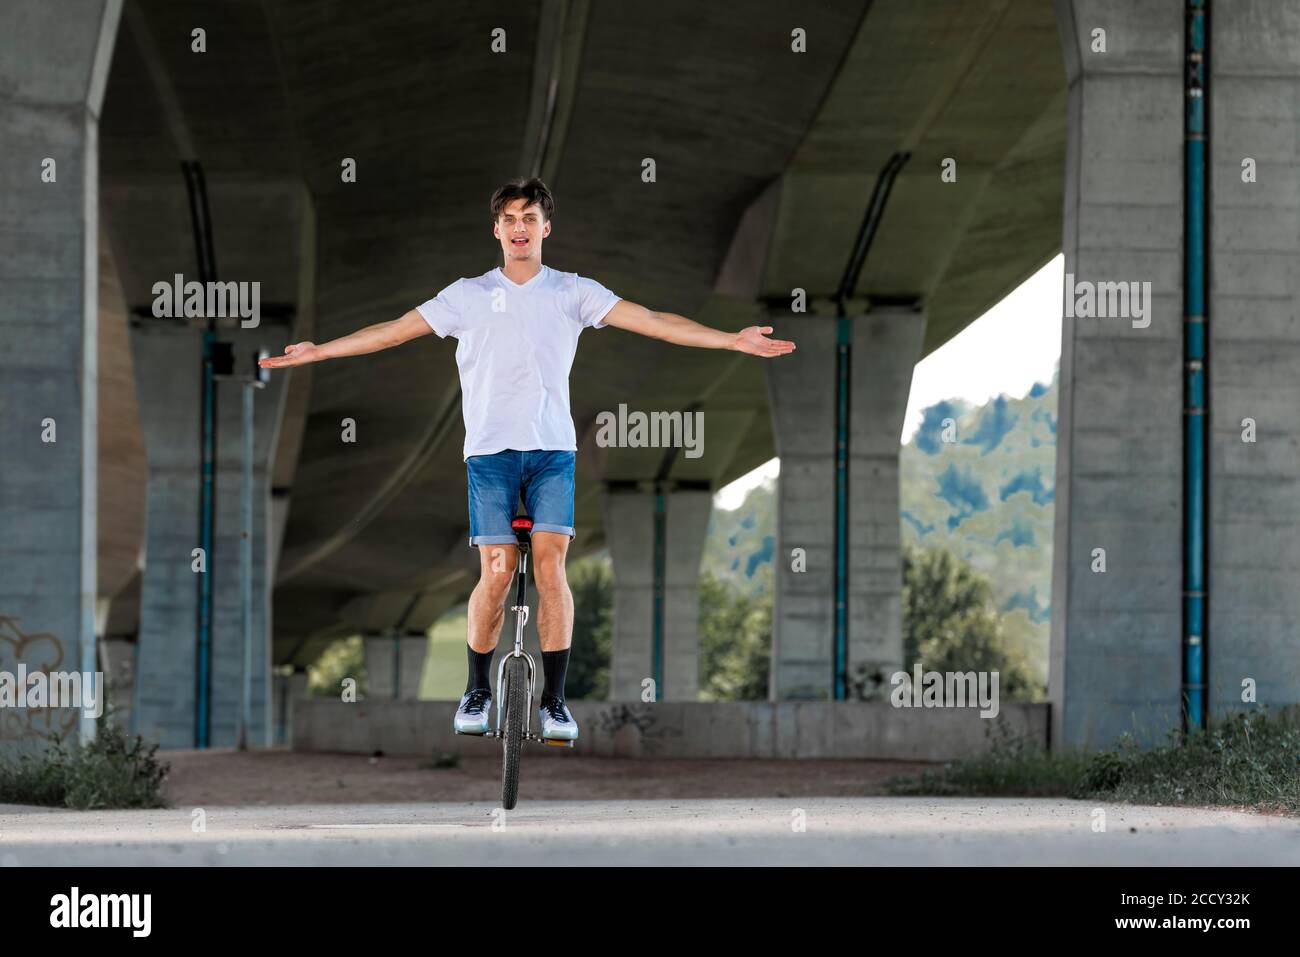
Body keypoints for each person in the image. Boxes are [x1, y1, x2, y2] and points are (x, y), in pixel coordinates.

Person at [260, 177, 795, 741]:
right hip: (489, 455)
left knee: (548, 566)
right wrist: (321, 350)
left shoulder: (572, 291)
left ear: (546, 228)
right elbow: (393, 333)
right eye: (510, 219)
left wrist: (729, 340)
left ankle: (555, 703)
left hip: (552, 453)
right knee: (496, 570)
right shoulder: (465, 296)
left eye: (530, 218)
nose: (520, 228)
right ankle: (476, 689)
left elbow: (655, 321)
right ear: (497, 230)